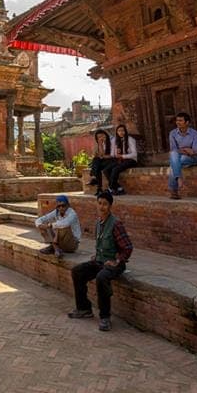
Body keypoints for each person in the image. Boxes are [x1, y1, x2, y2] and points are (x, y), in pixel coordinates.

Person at [68, 191, 133, 332]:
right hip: (100, 261)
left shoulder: (116, 224)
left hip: (114, 264)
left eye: (105, 204)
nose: (102, 207)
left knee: (101, 278)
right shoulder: (98, 223)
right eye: (99, 203)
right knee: (77, 271)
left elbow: (127, 247)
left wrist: (117, 260)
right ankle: (84, 308)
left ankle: (105, 317)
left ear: (110, 206)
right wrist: (97, 255)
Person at [168, 112, 197, 200]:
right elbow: (173, 149)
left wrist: (182, 150)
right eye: (177, 120)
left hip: (193, 158)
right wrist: (186, 149)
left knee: (174, 162)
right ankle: (178, 178)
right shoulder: (173, 133)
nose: (177, 122)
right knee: (174, 156)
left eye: (180, 120)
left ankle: (173, 190)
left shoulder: (196, 134)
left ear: (187, 122)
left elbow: (194, 151)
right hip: (179, 157)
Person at [106, 125, 138, 195]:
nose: (121, 132)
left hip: (131, 160)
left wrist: (122, 156)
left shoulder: (130, 139)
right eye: (119, 131)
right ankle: (118, 188)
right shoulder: (115, 140)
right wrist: (114, 153)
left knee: (115, 169)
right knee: (106, 170)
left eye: (122, 130)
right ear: (117, 132)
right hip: (121, 160)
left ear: (125, 131)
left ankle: (111, 188)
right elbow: (113, 154)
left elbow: (134, 154)